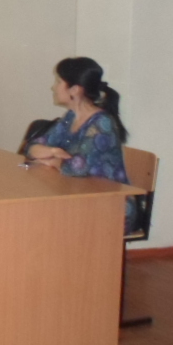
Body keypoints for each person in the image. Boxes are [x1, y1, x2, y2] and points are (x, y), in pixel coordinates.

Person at [23, 57, 139, 233]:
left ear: (75, 90)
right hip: (80, 195)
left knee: (44, 219)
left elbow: (78, 168)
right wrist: (54, 150)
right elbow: (32, 147)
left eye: (58, 82)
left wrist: (51, 160)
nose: (53, 87)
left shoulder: (102, 124)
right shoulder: (71, 117)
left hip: (111, 206)